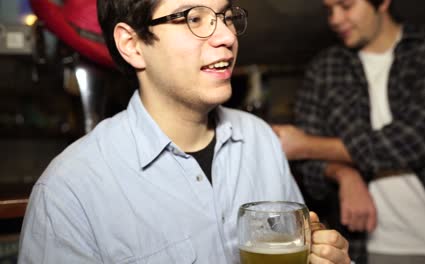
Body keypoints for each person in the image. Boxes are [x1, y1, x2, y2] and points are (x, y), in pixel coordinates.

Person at [17, 0, 352, 263]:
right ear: (132, 44)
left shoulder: (260, 140)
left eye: (225, 16)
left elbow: (302, 239)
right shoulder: (69, 190)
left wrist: (325, 253)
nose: (227, 36)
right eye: (193, 18)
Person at [272, 0, 425, 263]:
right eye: (329, 10)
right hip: (368, 247)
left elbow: (412, 141)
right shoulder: (325, 68)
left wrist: (306, 144)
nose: (335, 19)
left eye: (346, 5)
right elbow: (310, 171)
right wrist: (345, 173)